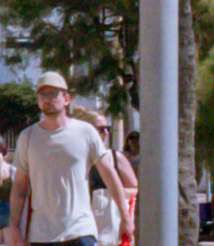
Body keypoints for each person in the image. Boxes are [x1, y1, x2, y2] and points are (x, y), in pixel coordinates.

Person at [13, 72, 130, 246]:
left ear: (67, 99)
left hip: (80, 231)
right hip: (42, 235)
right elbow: (19, 188)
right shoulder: (27, 137)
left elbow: (109, 174)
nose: (47, 99)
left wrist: (126, 217)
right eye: (42, 94)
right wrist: (14, 227)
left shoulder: (86, 132)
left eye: (53, 93)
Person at [71, 110, 136, 246]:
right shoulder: (72, 160)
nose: (106, 133)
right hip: (78, 230)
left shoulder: (114, 157)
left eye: (108, 129)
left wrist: (115, 191)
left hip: (108, 232)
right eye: (101, 129)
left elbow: (135, 189)